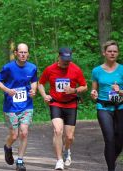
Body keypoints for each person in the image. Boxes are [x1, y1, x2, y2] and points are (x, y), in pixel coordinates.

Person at [38, 47, 87, 170]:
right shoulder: (50, 69)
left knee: (69, 137)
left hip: (71, 104)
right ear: (59, 57)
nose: (66, 62)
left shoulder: (75, 69)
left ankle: (67, 150)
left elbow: (84, 86)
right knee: (57, 131)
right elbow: (40, 83)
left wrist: (74, 90)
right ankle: (59, 160)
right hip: (56, 103)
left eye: (68, 60)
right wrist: (44, 95)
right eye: (64, 59)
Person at [0, 43, 37, 171]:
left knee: (24, 132)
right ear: (16, 53)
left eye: (25, 52)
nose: (23, 54)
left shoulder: (32, 67)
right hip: (11, 106)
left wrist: (33, 90)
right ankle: (7, 147)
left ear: (28, 53)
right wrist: (7, 90)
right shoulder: (8, 67)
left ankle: (20, 161)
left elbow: (34, 81)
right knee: (14, 135)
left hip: (26, 105)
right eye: (21, 52)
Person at [91, 40, 123, 171]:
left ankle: (112, 159)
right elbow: (94, 90)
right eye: (109, 51)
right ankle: (111, 168)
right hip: (103, 107)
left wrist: (120, 91)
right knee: (109, 138)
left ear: (118, 53)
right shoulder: (97, 71)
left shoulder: (122, 69)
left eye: (115, 51)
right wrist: (93, 94)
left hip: (120, 107)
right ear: (104, 53)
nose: (112, 53)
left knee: (120, 140)